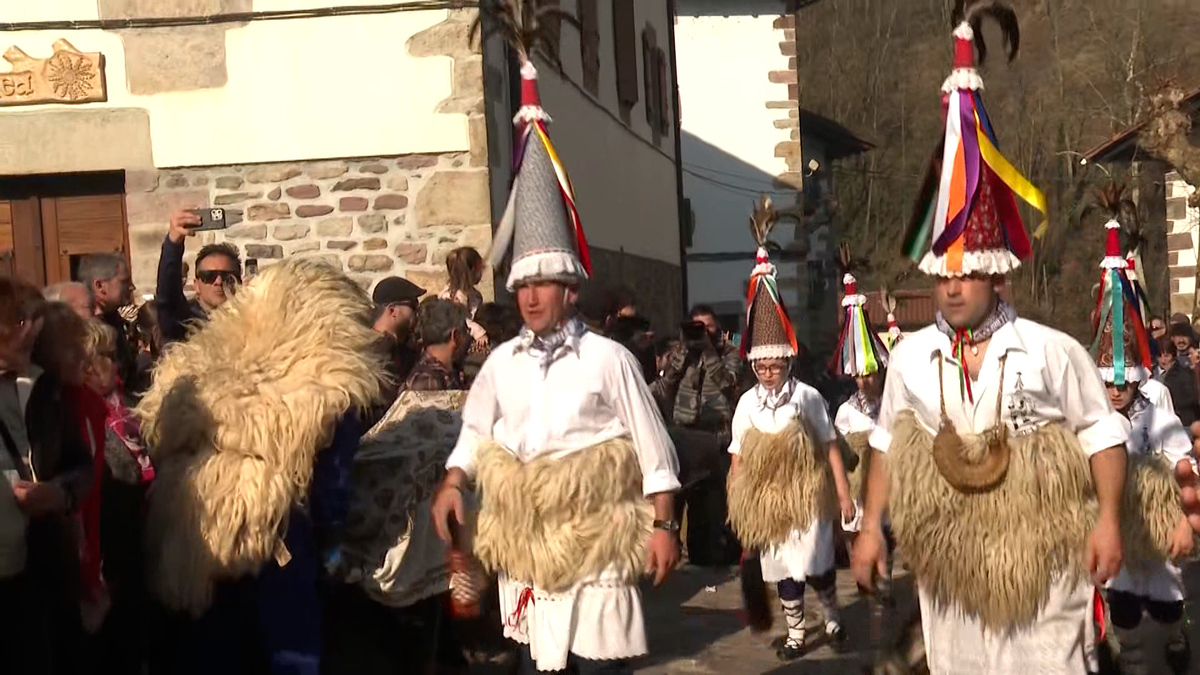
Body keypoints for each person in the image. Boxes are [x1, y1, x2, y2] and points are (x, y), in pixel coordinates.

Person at [852, 9, 1129, 673]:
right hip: (951, 572)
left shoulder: (1049, 350)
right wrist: (868, 527)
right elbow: (888, 441)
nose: (951, 287)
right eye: (942, 272)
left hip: (1043, 569)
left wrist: (1109, 520)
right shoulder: (911, 356)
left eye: (967, 272)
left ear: (997, 271)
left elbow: (1101, 434)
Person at [431, 54, 680, 674]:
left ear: (570, 289)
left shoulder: (608, 358)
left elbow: (654, 451)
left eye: (545, 283)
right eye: (524, 286)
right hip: (527, 551)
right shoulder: (500, 366)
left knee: (595, 666)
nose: (532, 296)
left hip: (595, 547)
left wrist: (663, 526)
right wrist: (453, 482)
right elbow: (473, 433)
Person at [138, 259, 384, 675]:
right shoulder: (329, 380)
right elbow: (332, 483)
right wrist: (329, 545)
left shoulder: (196, 363)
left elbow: (158, 437)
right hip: (273, 530)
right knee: (287, 649)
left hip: (191, 528)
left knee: (207, 647)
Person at [725, 197, 854, 661]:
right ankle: (797, 632)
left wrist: (842, 494)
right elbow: (738, 457)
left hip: (807, 498)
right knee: (783, 572)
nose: (768, 369)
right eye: (762, 363)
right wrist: (737, 503)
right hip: (769, 506)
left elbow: (830, 446)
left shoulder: (808, 398)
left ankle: (834, 616)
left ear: (787, 358)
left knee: (816, 567)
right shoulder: (745, 404)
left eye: (775, 361)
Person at [829, 267, 895, 588]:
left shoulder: (894, 406)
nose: (866, 380)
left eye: (871, 373)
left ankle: (883, 588)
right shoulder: (846, 412)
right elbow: (839, 455)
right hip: (858, 494)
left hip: (889, 491)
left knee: (888, 550)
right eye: (860, 375)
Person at [156, 211, 243, 346]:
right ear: (196, 284)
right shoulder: (184, 322)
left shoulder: (250, 321)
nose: (218, 282)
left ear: (239, 282)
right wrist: (173, 244)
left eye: (228, 277)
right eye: (209, 276)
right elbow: (167, 297)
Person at [404, 298, 470, 392]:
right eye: (466, 331)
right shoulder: (426, 382)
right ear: (455, 336)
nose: (469, 336)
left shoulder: (453, 373)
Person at [438, 246, 488, 347]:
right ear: (473, 270)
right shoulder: (449, 297)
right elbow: (459, 320)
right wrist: (478, 332)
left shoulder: (475, 296)